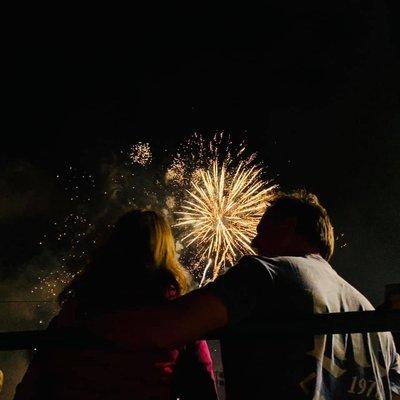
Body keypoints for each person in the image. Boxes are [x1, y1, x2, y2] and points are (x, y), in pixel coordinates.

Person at [90, 190, 400, 399]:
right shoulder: (372, 315)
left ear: (288, 226)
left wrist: (85, 327)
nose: (253, 240)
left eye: (262, 228)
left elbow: (165, 329)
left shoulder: (268, 272)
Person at [14, 210, 218, 400]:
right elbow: (203, 386)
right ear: (166, 252)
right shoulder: (181, 319)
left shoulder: (77, 311)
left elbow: (36, 380)